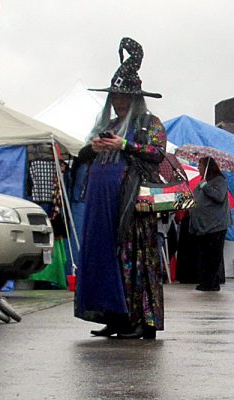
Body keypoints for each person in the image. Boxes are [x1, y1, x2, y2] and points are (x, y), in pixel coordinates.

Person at [74, 37, 166, 339]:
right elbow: (81, 157)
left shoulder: (149, 123)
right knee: (105, 256)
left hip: (132, 206)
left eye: (125, 97)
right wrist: (94, 148)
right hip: (102, 205)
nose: (119, 102)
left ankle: (139, 320)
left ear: (136, 99)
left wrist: (125, 145)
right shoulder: (110, 125)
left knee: (133, 258)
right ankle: (112, 314)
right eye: (115, 97)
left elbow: (157, 153)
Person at [190, 157, 231, 291]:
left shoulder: (219, 181)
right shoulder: (204, 181)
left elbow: (219, 196)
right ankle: (209, 282)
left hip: (215, 225)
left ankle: (210, 282)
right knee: (206, 255)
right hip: (204, 226)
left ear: (208, 167)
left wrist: (205, 186)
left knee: (213, 256)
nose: (198, 168)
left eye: (200, 165)